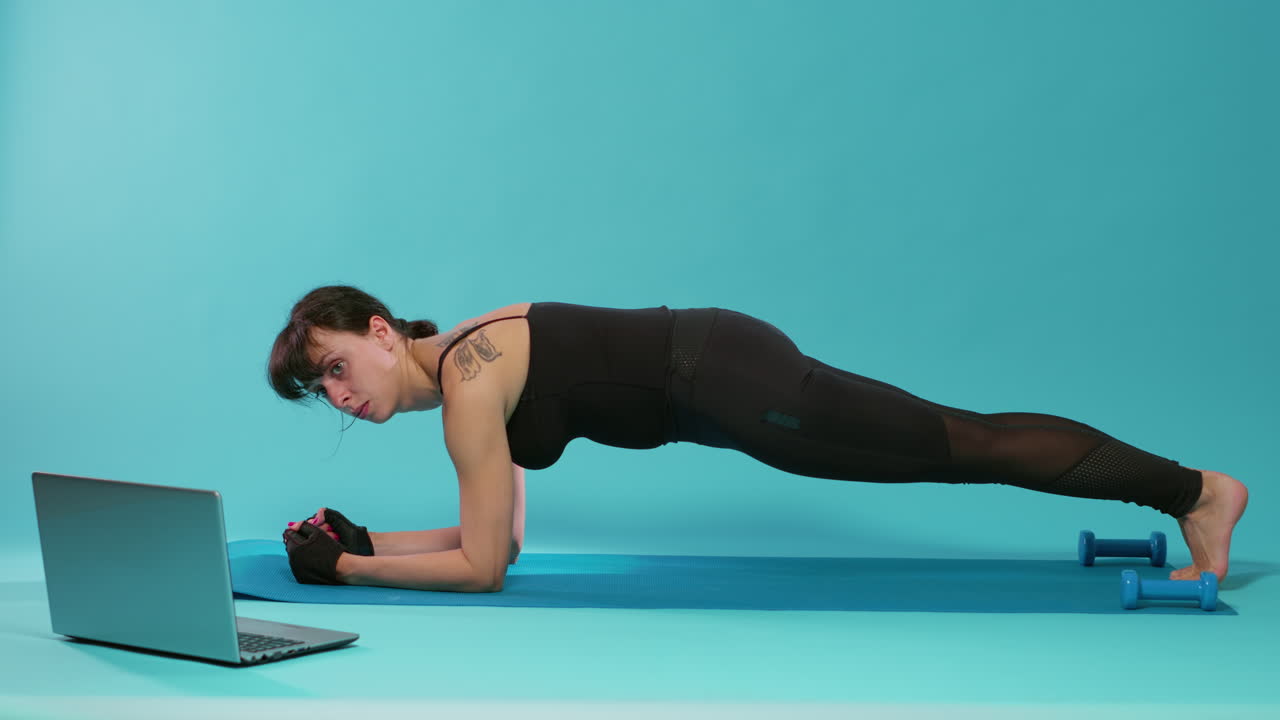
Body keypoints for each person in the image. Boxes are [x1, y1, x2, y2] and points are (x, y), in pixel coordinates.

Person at [267, 285, 1248, 592]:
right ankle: (1183, 491)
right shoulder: (471, 364)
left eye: (341, 364)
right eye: (322, 389)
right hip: (723, 370)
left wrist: (347, 575)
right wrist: (362, 542)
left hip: (732, 386)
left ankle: (1192, 492)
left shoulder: (474, 387)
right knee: (954, 444)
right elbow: (502, 542)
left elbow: (483, 571)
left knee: (956, 444)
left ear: (384, 333)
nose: (340, 394)